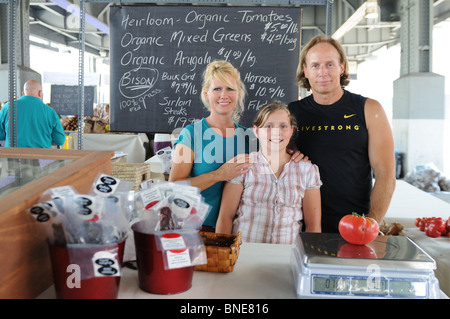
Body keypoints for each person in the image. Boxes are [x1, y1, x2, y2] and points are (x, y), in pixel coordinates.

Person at [288, 35, 396, 233]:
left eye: (330, 64)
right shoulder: (289, 114)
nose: (323, 72)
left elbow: (385, 174)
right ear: (305, 70)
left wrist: (371, 224)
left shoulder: (370, 109)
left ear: (342, 67)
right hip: (298, 227)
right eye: (315, 65)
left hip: (354, 226)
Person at [216, 102, 322, 244]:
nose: (276, 132)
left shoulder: (307, 170)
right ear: (256, 131)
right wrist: (224, 255)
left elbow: (313, 225)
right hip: (245, 253)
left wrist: (308, 261)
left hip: (287, 255)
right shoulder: (242, 166)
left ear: (291, 131)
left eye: (283, 126)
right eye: (268, 126)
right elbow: (226, 217)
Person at [169, 60, 256, 231]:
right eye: (217, 89)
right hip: (198, 230)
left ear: (238, 93)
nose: (224, 95)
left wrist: (294, 152)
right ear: (206, 93)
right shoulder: (190, 134)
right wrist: (219, 175)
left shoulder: (252, 138)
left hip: (240, 230)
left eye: (230, 88)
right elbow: (174, 187)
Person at [0, 80, 66, 148]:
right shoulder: (50, 112)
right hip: (41, 156)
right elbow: (60, 140)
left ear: (23, 93)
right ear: (40, 93)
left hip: (13, 155)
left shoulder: (8, 107)